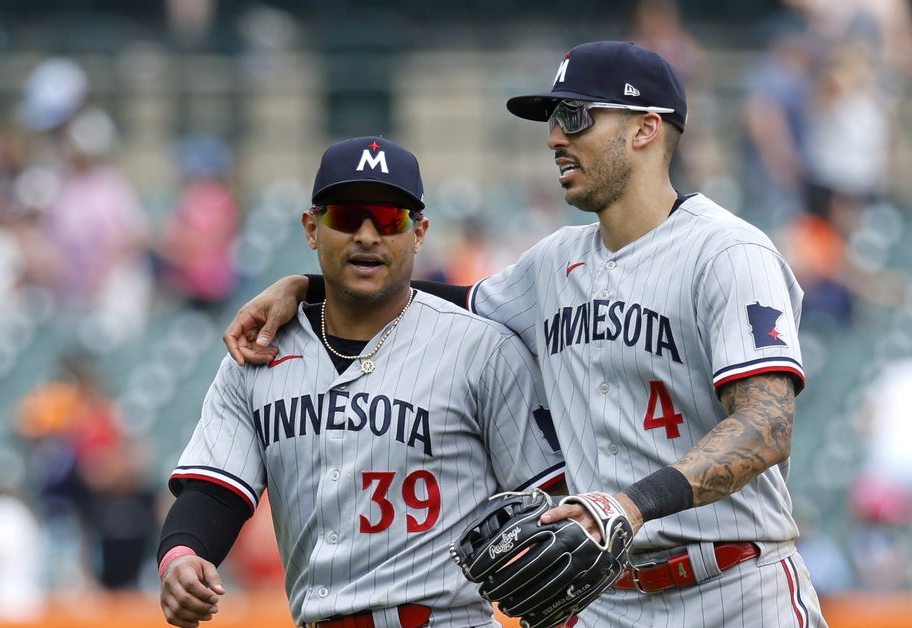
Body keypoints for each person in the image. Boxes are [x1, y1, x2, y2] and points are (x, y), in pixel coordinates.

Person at [225, 42, 827, 627]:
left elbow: (766, 428)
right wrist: (310, 287)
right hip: (606, 600)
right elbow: (445, 300)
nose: (554, 136)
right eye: (553, 119)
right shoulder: (553, 263)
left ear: (645, 129)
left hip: (737, 588)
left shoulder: (727, 252)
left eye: (575, 115)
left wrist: (629, 504)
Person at [158, 136, 564, 628]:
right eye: (348, 217)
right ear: (312, 228)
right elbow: (214, 490)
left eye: (390, 218)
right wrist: (181, 554)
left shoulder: (483, 350)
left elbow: (552, 504)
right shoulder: (258, 351)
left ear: (419, 233)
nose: (368, 235)